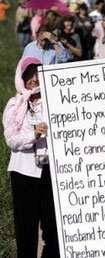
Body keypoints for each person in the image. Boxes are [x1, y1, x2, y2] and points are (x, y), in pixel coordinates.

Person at [2, 56, 60, 258]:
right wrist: (33, 135)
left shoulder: (53, 101)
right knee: (26, 228)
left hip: (48, 170)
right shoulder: (14, 104)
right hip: (23, 172)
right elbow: (12, 139)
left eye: (37, 74)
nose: (34, 79)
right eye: (29, 74)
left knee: (52, 227)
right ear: (21, 76)